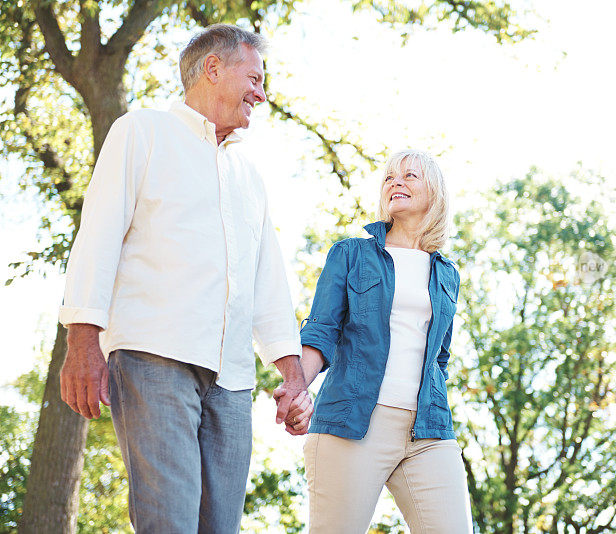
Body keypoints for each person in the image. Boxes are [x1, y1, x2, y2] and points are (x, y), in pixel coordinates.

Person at [58, 24, 312, 533]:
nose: (262, 94)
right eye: (255, 78)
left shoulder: (249, 175)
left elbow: (268, 284)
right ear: (213, 68)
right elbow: (99, 235)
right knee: (168, 522)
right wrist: (83, 340)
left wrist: (292, 375)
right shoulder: (142, 131)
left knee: (219, 528)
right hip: (155, 358)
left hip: (233, 381)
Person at [283, 149, 473, 533]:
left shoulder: (447, 275)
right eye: (389, 177)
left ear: (434, 193)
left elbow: (439, 358)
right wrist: (297, 389)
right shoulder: (351, 254)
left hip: (429, 430)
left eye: (409, 176)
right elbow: (321, 331)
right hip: (351, 424)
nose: (396, 182)